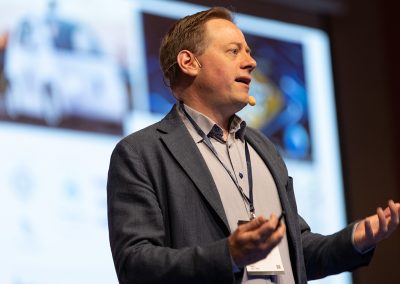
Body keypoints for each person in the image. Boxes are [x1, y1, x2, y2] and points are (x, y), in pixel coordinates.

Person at [107, 7, 400, 284]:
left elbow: (295, 252)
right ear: (189, 63)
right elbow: (136, 265)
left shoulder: (263, 148)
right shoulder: (142, 153)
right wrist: (229, 256)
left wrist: (355, 239)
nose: (251, 62)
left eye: (248, 52)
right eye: (233, 51)